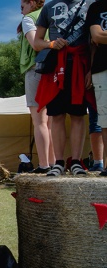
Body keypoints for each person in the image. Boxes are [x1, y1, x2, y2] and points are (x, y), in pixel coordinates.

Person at [34, 0, 96, 176]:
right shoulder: (48, 7)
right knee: (56, 115)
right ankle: (59, 162)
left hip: (80, 66)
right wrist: (51, 44)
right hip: (55, 67)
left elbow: (93, 42)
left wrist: (91, 69)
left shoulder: (90, 4)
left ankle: (76, 161)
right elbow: (37, 43)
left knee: (78, 114)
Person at [18, 0, 55, 174]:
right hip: (54, 70)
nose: (21, 10)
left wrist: (47, 44)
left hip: (35, 69)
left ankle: (44, 164)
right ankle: (55, 163)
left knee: (39, 121)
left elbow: (35, 43)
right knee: (51, 122)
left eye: (22, 5)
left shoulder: (28, 19)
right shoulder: (52, 15)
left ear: (31, 3)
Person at [87, 0, 107, 176]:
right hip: (101, 68)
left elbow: (102, 36)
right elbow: (96, 36)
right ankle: (103, 164)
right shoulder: (96, 7)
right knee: (104, 120)